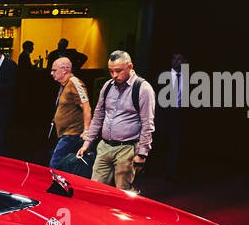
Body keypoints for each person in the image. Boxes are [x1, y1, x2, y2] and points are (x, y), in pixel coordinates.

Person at [77, 49, 155, 191]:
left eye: (118, 71)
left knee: (122, 193)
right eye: (111, 71)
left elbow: (147, 123)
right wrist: (87, 142)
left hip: (127, 149)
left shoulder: (143, 88)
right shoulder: (107, 86)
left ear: (130, 67)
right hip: (104, 146)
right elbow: (98, 115)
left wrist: (142, 153)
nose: (114, 75)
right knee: (95, 189)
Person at [48, 57, 92, 171]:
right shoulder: (64, 85)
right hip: (65, 134)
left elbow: (87, 107)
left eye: (54, 70)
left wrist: (86, 131)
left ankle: (53, 187)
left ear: (64, 70)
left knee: (54, 164)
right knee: (65, 165)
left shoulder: (75, 83)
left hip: (72, 134)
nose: (51, 73)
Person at [157, 52, 187, 182]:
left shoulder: (189, 77)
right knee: (160, 142)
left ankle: (171, 172)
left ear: (184, 61)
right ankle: (156, 170)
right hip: (164, 114)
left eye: (179, 59)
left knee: (175, 144)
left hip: (179, 114)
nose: (176, 61)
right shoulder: (163, 76)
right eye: (174, 58)